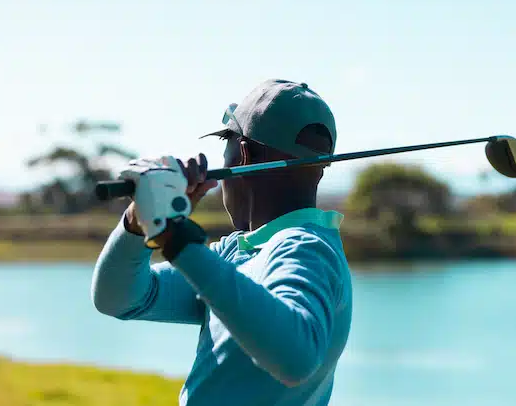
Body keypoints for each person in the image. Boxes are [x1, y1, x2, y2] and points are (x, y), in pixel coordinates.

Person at [90, 79, 353, 406]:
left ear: (242, 154)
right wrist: (138, 221)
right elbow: (119, 299)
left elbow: (296, 358)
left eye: (225, 144)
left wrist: (174, 235)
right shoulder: (239, 251)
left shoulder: (305, 249)